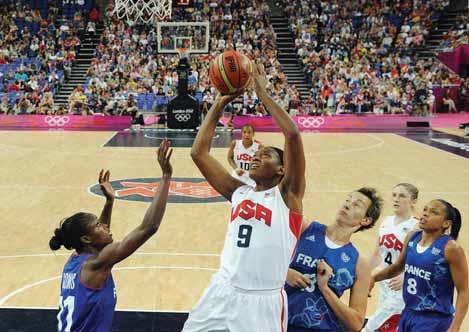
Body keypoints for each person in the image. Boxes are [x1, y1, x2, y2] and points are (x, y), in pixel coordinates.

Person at [183, 61, 305, 332]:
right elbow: (198, 153)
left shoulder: (288, 196)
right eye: (257, 155)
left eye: (267, 155)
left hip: (262, 301)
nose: (257, 156)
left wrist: (264, 95)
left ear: (281, 170)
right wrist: (219, 102)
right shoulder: (238, 191)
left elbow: (293, 135)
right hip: (222, 290)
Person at [50, 139, 173, 332]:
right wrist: (166, 176)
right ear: (86, 239)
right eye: (98, 225)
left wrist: (109, 202)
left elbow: (100, 236)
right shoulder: (98, 264)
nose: (105, 227)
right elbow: (149, 227)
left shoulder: (75, 258)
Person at [286, 188, 383, 332]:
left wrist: (325, 289)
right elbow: (259, 254)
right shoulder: (305, 228)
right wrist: (285, 272)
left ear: (366, 220)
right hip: (277, 321)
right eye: (348, 200)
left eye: (357, 204)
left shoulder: (359, 264)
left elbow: (356, 324)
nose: (348, 205)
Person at [371, 199, 469, 332]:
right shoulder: (412, 237)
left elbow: (464, 291)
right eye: (425, 210)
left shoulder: (450, 248)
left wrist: (455, 327)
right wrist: (373, 278)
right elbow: (397, 267)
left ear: (446, 223)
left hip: (434, 321)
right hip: (408, 313)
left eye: (433, 212)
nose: (425, 214)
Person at [363, 183, 419, 332]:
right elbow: (377, 254)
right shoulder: (386, 222)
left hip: (403, 283)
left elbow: (421, 260)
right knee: (389, 323)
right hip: (384, 279)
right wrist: (363, 273)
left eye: (402, 196)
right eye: (394, 195)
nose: (396, 199)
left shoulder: (417, 227)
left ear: (413, 201)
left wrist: (406, 275)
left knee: (379, 319)